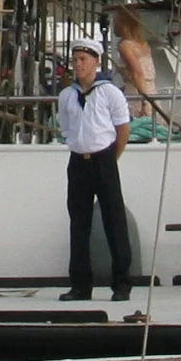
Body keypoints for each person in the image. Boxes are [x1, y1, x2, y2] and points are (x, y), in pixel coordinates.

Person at [56, 34, 133, 302]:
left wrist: (112, 158)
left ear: (95, 62)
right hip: (78, 162)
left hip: (103, 160)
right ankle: (80, 285)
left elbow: (123, 129)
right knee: (79, 224)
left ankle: (121, 283)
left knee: (114, 222)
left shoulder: (109, 92)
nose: (77, 65)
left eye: (82, 60)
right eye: (75, 60)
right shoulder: (67, 95)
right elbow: (66, 128)